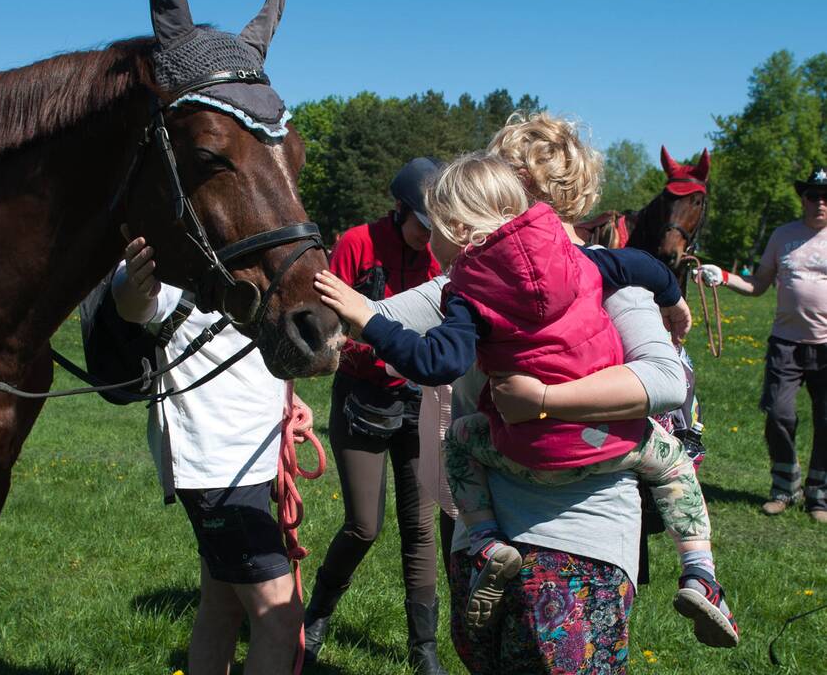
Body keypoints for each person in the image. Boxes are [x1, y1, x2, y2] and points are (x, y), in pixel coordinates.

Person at [315, 152, 737, 648]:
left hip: (525, 450)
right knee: (672, 463)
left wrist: (367, 320)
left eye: (435, 227)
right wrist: (671, 298)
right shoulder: (580, 257)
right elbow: (644, 264)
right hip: (608, 444)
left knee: (461, 440)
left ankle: (487, 538)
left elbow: (437, 363)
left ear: (454, 227)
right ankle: (700, 572)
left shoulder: (468, 291)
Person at [111, 233, 311, 675]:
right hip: (216, 470)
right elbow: (133, 303)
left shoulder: (248, 250)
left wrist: (286, 401)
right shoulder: (176, 256)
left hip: (249, 463)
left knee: (222, 605)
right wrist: (134, 278)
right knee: (280, 618)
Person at [303, 158, 449, 675]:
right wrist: (376, 351)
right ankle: (315, 616)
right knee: (365, 526)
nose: (426, 240)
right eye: (421, 227)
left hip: (418, 400)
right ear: (400, 210)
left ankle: (423, 647)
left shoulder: (437, 257)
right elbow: (329, 326)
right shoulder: (357, 243)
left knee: (420, 527)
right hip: (362, 397)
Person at [695, 165, 827, 523]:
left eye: (826, 196)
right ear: (803, 198)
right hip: (786, 343)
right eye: (813, 195)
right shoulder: (784, 236)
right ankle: (784, 488)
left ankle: (820, 495)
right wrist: (722, 277)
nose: (820, 202)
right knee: (780, 414)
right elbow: (759, 284)